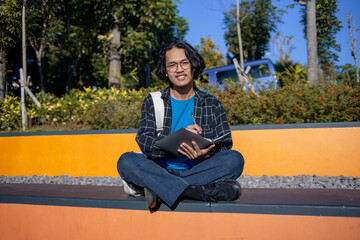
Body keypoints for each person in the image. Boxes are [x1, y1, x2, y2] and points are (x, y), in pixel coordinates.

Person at [117, 40, 244, 210]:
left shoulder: (212, 104)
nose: (179, 69)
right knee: (126, 161)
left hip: (198, 170)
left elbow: (225, 146)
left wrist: (204, 155)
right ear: (166, 71)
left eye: (184, 63)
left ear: (193, 66)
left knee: (234, 160)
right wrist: (175, 141)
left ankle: (159, 189)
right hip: (160, 169)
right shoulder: (153, 101)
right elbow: (144, 141)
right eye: (172, 65)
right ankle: (196, 192)